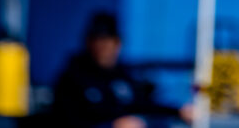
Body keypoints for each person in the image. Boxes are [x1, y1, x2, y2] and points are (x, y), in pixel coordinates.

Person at [51, 12, 192, 128]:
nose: (102, 47)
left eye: (107, 40)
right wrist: (111, 125)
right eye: (97, 40)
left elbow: (144, 105)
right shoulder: (73, 78)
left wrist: (178, 111)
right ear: (88, 43)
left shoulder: (121, 75)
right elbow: (67, 120)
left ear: (118, 43)